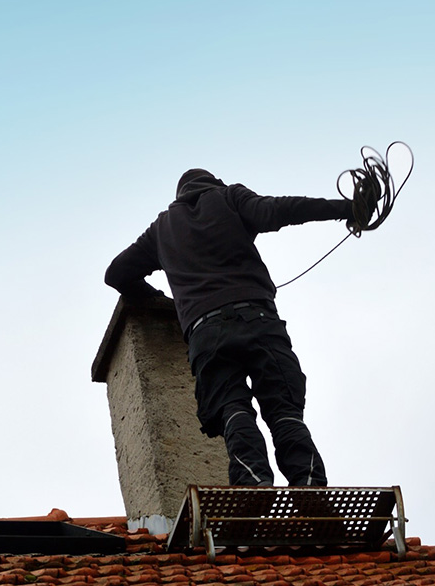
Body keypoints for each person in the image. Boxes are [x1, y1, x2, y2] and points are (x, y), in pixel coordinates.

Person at [105, 169, 365, 487]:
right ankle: (309, 485)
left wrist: (163, 301)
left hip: (205, 333)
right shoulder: (229, 197)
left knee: (232, 408)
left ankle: (253, 483)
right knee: (283, 408)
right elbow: (280, 209)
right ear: (215, 183)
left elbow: (116, 274)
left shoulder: (162, 229)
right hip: (258, 321)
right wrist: (346, 208)